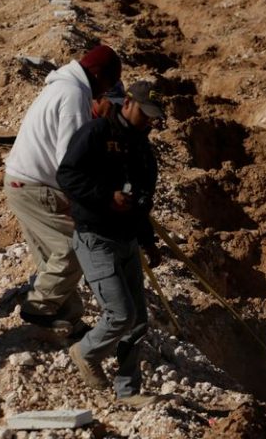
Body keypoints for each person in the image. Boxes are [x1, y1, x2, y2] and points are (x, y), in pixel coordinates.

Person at [57, 80, 164, 407]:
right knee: (120, 315)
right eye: (144, 114)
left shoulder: (143, 150)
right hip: (96, 238)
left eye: (152, 117)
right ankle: (86, 353)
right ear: (127, 102)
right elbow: (68, 176)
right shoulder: (96, 134)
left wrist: (148, 242)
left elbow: (142, 202)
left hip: (127, 240)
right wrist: (106, 197)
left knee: (139, 321)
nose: (148, 122)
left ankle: (127, 391)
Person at [4, 45, 122, 338]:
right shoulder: (73, 93)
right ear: (97, 75)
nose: (103, 94)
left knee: (51, 256)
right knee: (76, 247)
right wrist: (94, 201)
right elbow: (71, 159)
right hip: (34, 186)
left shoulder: (65, 85)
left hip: (24, 182)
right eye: (107, 86)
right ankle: (37, 307)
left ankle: (67, 324)